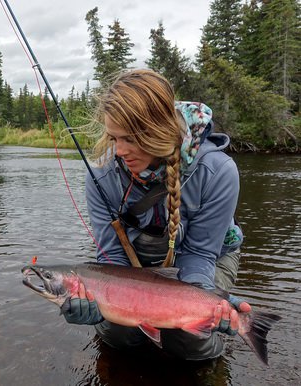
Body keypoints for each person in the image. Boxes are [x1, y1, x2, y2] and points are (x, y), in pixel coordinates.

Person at [61, 69, 251, 361]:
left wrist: (210, 302)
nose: (120, 151)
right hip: (136, 264)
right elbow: (112, 258)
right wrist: (99, 301)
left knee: (190, 342)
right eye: (114, 138)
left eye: (131, 139)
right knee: (117, 333)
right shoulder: (101, 174)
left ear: (158, 130)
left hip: (210, 257)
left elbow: (200, 254)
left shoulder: (217, 171)